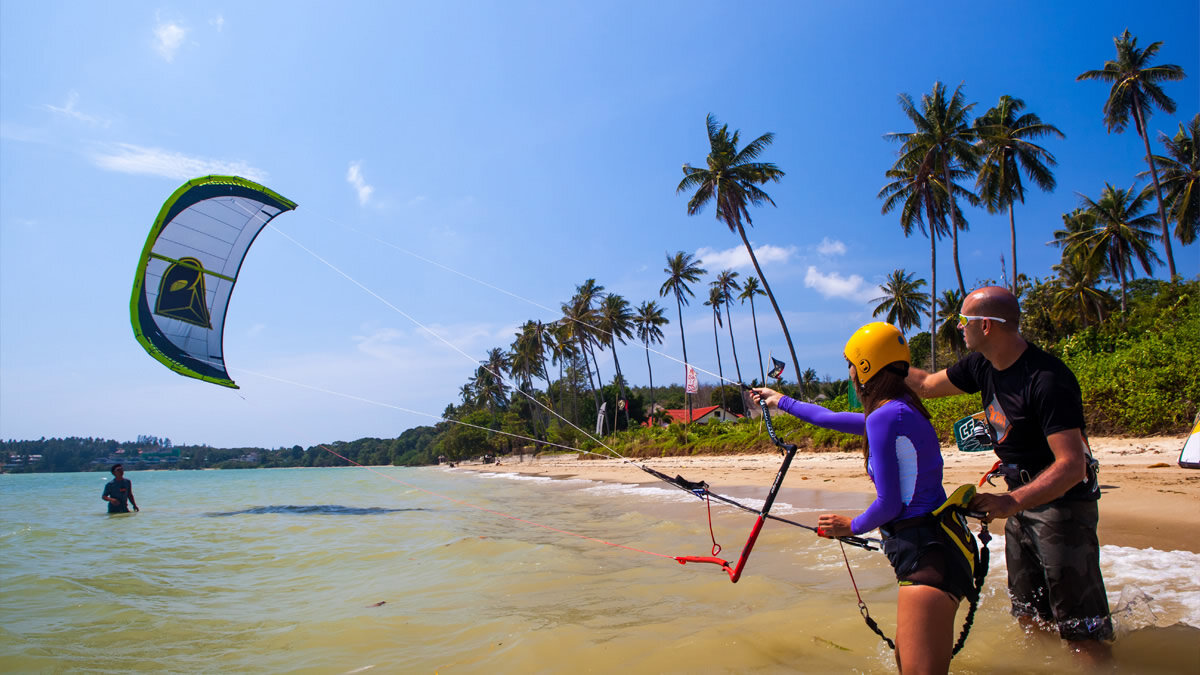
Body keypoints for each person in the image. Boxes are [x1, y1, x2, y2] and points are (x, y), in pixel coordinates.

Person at [753, 322, 974, 674]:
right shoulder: (899, 409)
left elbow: (890, 504)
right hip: (935, 549)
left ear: (866, 367)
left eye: (852, 365)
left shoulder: (887, 415)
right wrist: (778, 399)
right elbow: (828, 417)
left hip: (926, 555)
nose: (852, 374)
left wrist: (850, 526)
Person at [905, 286, 1113, 659]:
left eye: (962, 321)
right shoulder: (980, 366)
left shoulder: (1047, 379)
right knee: (1029, 616)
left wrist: (1011, 501)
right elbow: (924, 385)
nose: (959, 328)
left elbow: (1071, 465)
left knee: (1082, 632)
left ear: (985, 326)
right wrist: (879, 364)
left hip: (1061, 506)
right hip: (1017, 499)